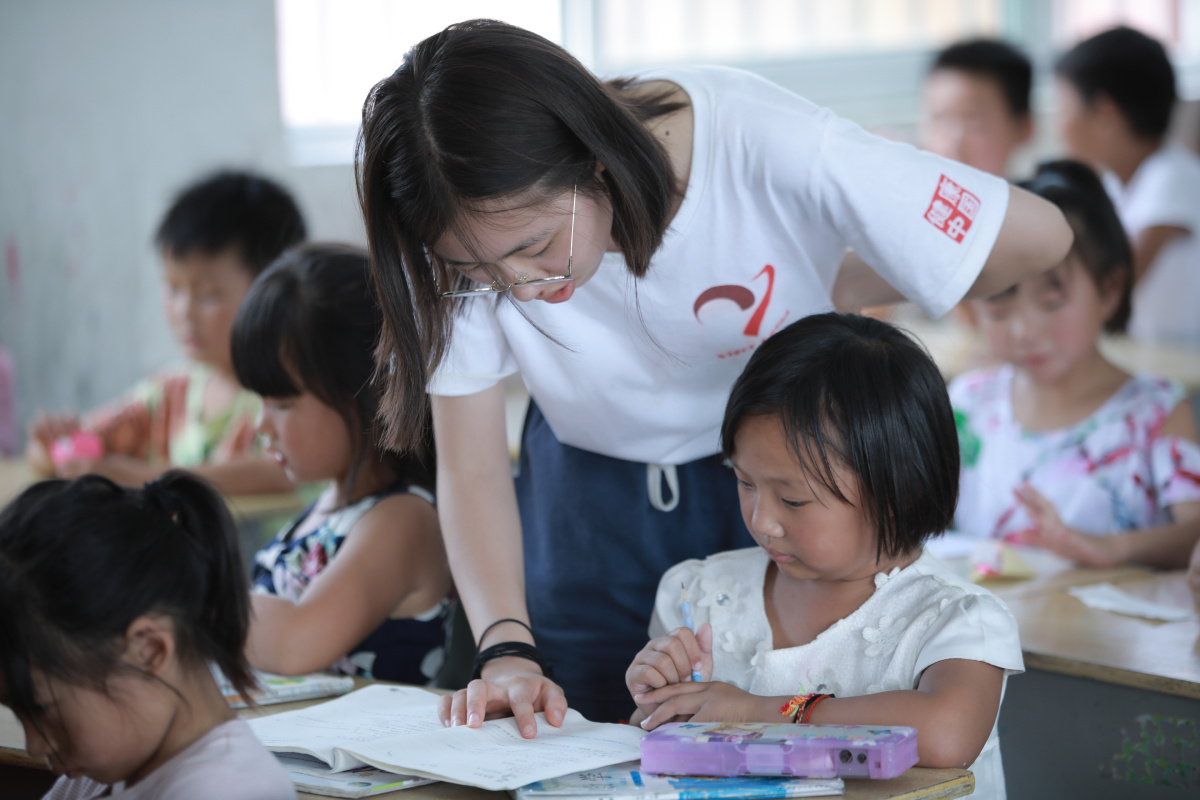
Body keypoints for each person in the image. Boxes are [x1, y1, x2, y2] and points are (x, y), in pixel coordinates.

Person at [356, 19, 1072, 730]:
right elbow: (475, 465)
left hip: (766, 483)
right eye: (477, 273)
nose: (517, 286)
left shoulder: (760, 140)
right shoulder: (454, 212)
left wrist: (833, 277)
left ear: (593, 158)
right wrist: (506, 648)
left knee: (794, 736)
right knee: (599, 746)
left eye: (536, 245)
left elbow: (1043, 236)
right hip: (584, 506)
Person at [627, 313, 1022, 800]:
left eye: (792, 500)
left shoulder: (956, 619)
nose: (762, 520)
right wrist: (660, 702)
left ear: (901, 490)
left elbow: (946, 733)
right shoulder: (702, 592)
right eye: (744, 481)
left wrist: (756, 712)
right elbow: (658, 749)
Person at [951, 160, 1200, 567]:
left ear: (1109, 290)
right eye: (998, 306)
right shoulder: (967, 404)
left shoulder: (1156, 411)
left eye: (1052, 301)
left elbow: (1195, 533)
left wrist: (1112, 549)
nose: (1024, 329)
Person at [233, 243, 452, 684]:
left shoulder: (404, 519)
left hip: (367, 755)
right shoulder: (329, 508)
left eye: (281, 404)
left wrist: (187, 593)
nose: (261, 425)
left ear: (363, 395)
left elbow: (295, 644)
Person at [0, 471, 294, 799]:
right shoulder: (102, 772)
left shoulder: (232, 790)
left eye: (40, 708)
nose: (35, 744)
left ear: (148, 651)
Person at [25, 171, 306, 493]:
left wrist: (140, 477)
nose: (183, 311)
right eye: (173, 288)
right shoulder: (168, 395)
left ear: (273, 290)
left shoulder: (294, 397)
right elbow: (59, 453)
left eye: (208, 293)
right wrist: (55, 448)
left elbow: (281, 472)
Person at [1057, 26, 1200, 345]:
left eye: (1064, 108)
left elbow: (1113, 284)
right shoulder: (1116, 183)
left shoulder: (1171, 176)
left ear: (1105, 115)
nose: (1059, 124)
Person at [922, 38, 1033, 177]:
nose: (952, 141)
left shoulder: (1044, 198)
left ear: (1023, 128)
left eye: (974, 124)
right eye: (939, 120)